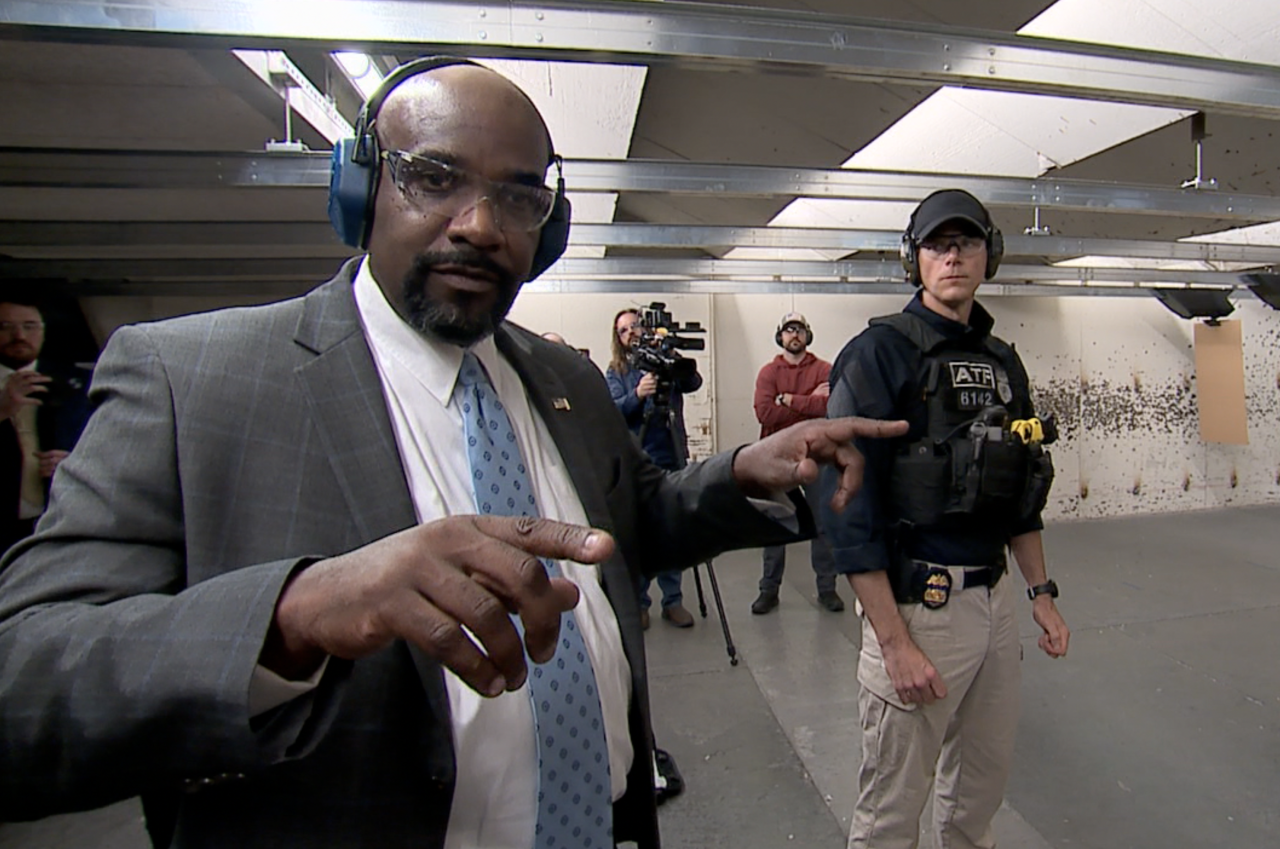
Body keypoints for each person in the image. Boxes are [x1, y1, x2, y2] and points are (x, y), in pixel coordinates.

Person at [0, 59, 904, 849]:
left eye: (518, 196)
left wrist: (739, 471)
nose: (480, 223)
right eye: (433, 177)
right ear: (359, 189)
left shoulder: (563, 376)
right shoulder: (188, 379)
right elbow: (25, 683)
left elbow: (622, 525)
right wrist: (294, 612)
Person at [821, 189, 1070, 849]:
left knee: (976, 798)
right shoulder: (878, 354)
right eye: (937, 244)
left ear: (991, 254)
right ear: (914, 259)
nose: (952, 255)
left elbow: (1022, 488)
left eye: (966, 242)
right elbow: (849, 509)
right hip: (919, 604)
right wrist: (895, 641)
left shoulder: (1004, 361)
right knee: (890, 813)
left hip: (993, 602)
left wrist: (1040, 592)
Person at [605, 308, 702, 630]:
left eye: (635, 326)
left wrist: (671, 357)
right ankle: (640, 602)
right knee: (641, 533)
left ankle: (673, 601)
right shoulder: (616, 371)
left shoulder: (663, 359)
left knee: (672, 529)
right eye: (623, 330)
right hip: (638, 457)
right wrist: (637, 395)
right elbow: (613, 412)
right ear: (617, 338)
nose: (631, 332)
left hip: (671, 454)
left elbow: (693, 381)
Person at [750, 311, 842, 615]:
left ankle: (827, 589)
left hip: (816, 456)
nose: (794, 335)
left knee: (822, 524)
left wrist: (788, 400)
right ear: (781, 336)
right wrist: (807, 402)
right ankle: (769, 590)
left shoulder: (825, 369)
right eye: (789, 330)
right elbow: (766, 414)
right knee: (775, 524)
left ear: (807, 334)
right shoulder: (768, 372)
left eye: (799, 329)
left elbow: (828, 407)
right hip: (776, 457)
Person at [0, 300, 92, 551]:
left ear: (43, 331)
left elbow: (112, 448)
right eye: (5, 327)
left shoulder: (81, 384)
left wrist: (75, 463)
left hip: (55, 520)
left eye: (29, 326)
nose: (19, 336)